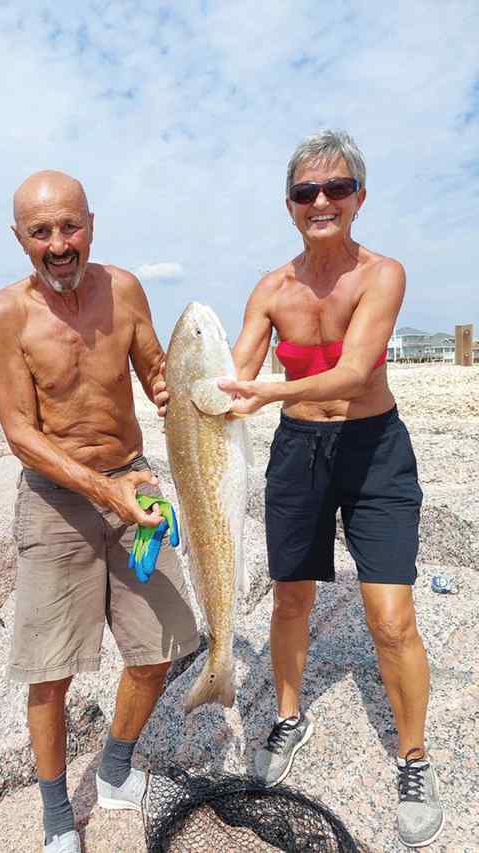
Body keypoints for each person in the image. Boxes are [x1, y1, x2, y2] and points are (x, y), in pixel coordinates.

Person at [214, 130, 443, 848]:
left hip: (374, 449)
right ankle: (289, 715)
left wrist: (264, 390)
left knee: (391, 616)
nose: (322, 201)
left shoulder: (382, 274)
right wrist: (193, 389)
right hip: (298, 452)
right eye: (307, 192)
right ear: (290, 205)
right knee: (291, 594)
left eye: (337, 189)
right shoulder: (270, 289)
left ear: (358, 198)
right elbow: (233, 376)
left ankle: (413, 756)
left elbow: (352, 370)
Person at [0, 170, 199, 853]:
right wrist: (100, 491)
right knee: (50, 670)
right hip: (56, 501)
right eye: (41, 232)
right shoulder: (5, 314)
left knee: (163, 645)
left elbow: (157, 372)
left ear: (92, 224)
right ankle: (54, 817)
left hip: (134, 487)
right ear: (19, 238)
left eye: (69, 226)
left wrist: (189, 392)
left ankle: (113, 769)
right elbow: (21, 431)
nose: (58, 244)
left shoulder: (126, 289)